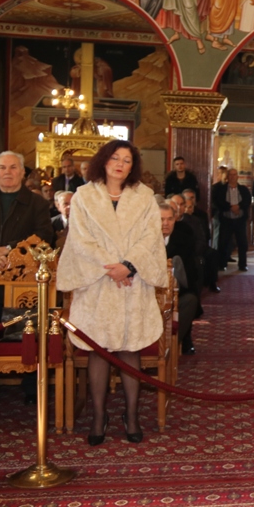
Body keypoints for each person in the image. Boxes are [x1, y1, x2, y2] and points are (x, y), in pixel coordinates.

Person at [58, 140, 168, 445]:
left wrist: (128, 266)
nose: (120, 164)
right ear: (104, 161)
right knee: (99, 349)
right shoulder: (84, 196)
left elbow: (151, 236)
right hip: (97, 282)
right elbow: (80, 239)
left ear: (133, 167)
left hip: (133, 282)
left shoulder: (144, 196)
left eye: (127, 160)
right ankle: (98, 417)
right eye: (115, 158)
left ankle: (131, 415)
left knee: (130, 347)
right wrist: (111, 267)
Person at [0, 151, 56, 336]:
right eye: (2, 167)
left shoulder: (37, 203)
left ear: (22, 172)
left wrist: (8, 250)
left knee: (19, 340)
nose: (7, 172)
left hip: (22, 282)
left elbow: (44, 236)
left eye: (13, 167)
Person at [159, 201, 199, 355]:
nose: (165, 223)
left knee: (191, 300)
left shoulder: (184, 240)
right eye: (161, 219)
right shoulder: (145, 241)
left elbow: (189, 275)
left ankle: (172, 347)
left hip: (176, 292)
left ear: (175, 219)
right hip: (149, 294)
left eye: (169, 219)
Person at [211, 167, 251, 272]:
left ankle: (242, 264)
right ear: (228, 177)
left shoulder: (243, 189)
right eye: (231, 175)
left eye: (234, 174)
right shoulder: (222, 189)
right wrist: (230, 207)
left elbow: (247, 200)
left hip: (240, 220)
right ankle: (222, 264)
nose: (233, 177)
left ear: (237, 176)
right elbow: (218, 201)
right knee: (223, 242)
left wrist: (239, 206)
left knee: (242, 243)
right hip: (226, 219)